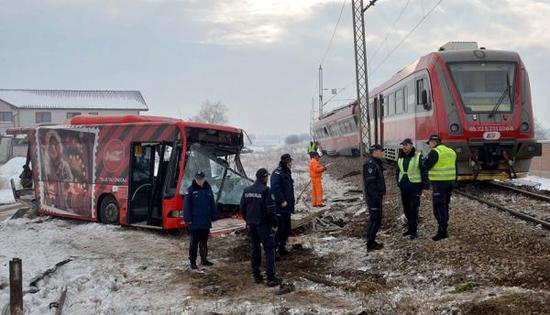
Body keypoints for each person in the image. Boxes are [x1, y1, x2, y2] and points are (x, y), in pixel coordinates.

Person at [240, 168, 281, 287]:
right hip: (263, 225)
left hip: (251, 225)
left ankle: (256, 275)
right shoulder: (265, 190)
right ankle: (271, 277)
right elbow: (271, 210)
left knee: (255, 249)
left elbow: (242, 208)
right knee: (269, 249)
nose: (267, 179)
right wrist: (274, 224)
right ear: (264, 177)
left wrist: (248, 220)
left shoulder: (247, 190)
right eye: (267, 177)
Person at [422, 135, 457, 241]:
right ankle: (444, 226)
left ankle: (442, 230)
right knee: (445, 205)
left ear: (434, 142)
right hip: (450, 183)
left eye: (430, 143)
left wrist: (423, 161)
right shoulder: (451, 151)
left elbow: (426, 166)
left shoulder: (435, 152)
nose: (430, 146)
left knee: (438, 207)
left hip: (439, 184)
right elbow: (456, 167)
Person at [183, 171, 219, 269]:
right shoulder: (190, 190)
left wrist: (214, 215)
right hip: (194, 222)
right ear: (195, 179)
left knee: (204, 242)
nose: (199, 181)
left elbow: (212, 203)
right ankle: (193, 261)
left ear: (204, 179)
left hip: (205, 221)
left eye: (201, 179)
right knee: (194, 243)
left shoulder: (208, 189)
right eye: (197, 179)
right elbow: (186, 206)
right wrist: (187, 219)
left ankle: (204, 259)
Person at [396, 138, 428, 239]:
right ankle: (410, 228)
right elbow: (397, 171)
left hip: (415, 187)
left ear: (411, 145)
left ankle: (413, 231)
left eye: (406, 145)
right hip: (404, 186)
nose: (404, 147)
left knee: (413, 209)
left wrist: (425, 185)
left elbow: (424, 171)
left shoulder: (418, 156)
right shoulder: (401, 156)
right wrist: (398, 182)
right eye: (403, 145)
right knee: (406, 209)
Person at [270, 153, 295, 257]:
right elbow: (275, 188)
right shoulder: (278, 173)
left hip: (287, 207)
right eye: (290, 161)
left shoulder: (286, 172)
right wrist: (282, 201)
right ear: (286, 161)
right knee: (280, 229)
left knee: (286, 229)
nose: (291, 163)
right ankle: (274, 250)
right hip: (280, 207)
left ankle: (282, 248)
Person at [364, 144, 386, 252]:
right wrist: (376, 198)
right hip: (374, 198)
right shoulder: (370, 164)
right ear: (375, 151)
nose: (382, 153)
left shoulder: (376, 163)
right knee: (374, 220)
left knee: (376, 220)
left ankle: (372, 241)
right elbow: (370, 184)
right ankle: (370, 243)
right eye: (381, 151)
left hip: (376, 196)